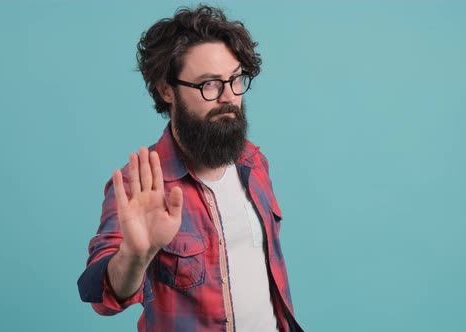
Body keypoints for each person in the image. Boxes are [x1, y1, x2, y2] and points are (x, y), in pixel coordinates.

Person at [77, 5, 303, 332]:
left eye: (235, 79)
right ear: (166, 89)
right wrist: (135, 256)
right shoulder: (141, 185)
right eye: (209, 84)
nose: (228, 96)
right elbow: (101, 295)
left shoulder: (253, 163)